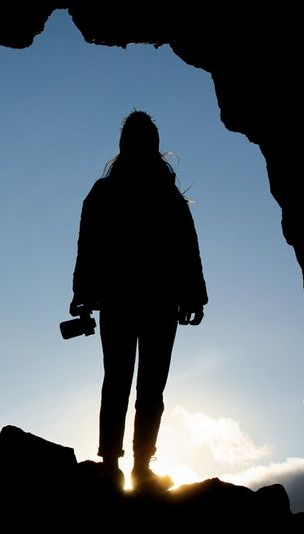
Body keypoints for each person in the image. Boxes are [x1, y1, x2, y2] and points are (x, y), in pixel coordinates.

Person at [70, 111, 207, 492]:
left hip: (121, 298)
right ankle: (139, 466)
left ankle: (115, 464)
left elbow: (88, 247)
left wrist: (82, 294)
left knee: (119, 381)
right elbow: (186, 247)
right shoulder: (167, 195)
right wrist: (195, 294)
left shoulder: (105, 193)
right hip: (158, 298)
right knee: (148, 386)